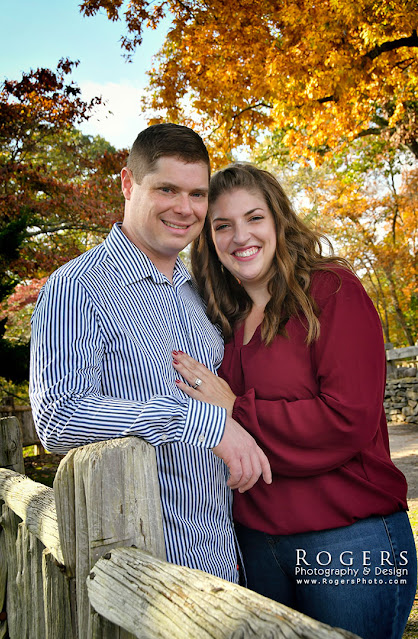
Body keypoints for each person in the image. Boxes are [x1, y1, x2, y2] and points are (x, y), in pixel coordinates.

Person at [172, 163, 417, 638]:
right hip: (254, 543)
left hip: (347, 539)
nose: (240, 236)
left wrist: (235, 409)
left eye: (254, 218)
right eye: (222, 225)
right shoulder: (219, 317)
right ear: (209, 239)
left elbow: (348, 417)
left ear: (279, 220)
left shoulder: (330, 290)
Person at [29, 126, 271, 582]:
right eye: (167, 189)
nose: (185, 208)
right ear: (127, 184)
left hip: (226, 555)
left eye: (197, 194)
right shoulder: (77, 287)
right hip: (144, 568)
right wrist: (196, 421)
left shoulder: (200, 292)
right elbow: (57, 419)